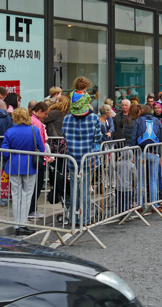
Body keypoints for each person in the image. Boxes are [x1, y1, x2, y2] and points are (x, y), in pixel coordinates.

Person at [62, 77, 102, 226]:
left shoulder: (67, 119)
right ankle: (84, 220)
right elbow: (98, 138)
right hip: (88, 159)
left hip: (73, 158)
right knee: (85, 191)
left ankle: (73, 219)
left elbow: (64, 135)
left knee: (74, 191)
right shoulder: (93, 118)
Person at [1, 107, 43, 236]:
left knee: (16, 194)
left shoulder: (10, 131)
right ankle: (23, 223)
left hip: (14, 165)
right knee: (27, 194)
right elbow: (40, 148)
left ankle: (17, 224)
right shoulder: (34, 130)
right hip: (30, 165)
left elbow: (4, 151)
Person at [131, 105, 162, 207]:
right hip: (154, 152)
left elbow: (133, 137)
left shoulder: (139, 120)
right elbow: (161, 139)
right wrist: (160, 154)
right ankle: (154, 205)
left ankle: (140, 204)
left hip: (141, 153)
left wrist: (133, 152)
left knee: (141, 180)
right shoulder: (157, 121)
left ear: (142, 111)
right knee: (153, 180)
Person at [28, 101, 49, 220]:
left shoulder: (31, 120)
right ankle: (32, 210)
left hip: (31, 157)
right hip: (37, 158)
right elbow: (41, 142)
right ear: (39, 111)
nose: (46, 116)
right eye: (45, 113)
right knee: (37, 184)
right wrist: (45, 157)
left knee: (31, 185)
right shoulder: (37, 123)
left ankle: (30, 209)